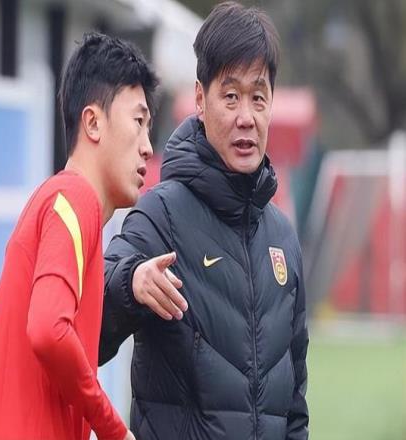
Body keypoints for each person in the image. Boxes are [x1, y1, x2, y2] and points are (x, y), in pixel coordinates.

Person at [100, 2, 309, 439]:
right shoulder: (160, 214)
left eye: (258, 97)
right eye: (230, 96)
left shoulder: (283, 239)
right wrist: (131, 283)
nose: (245, 117)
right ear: (200, 98)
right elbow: (89, 324)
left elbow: (294, 408)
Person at [0, 32, 158, 440]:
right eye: (139, 122)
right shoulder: (74, 198)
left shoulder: (63, 201)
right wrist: (113, 429)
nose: (148, 146)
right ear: (93, 123)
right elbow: (48, 330)